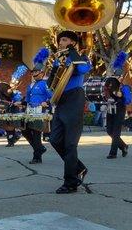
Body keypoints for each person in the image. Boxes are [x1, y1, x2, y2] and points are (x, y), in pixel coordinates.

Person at [48, 30, 91, 194]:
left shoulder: (82, 58)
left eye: (64, 40)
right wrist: (54, 70)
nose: (60, 43)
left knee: (70, 143)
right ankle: (79, 168)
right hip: (61, 100)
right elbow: (50, 85)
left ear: (73, 42)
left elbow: (82, 70)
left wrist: (72, 52)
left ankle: (71, 182)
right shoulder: (58, 61)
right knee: (55, 139)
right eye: (60, 40)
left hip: (75, 98)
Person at [21, 48, 51, 164]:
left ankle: (37, 157)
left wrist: (47, 103)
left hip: (40, 111)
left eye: (35, 72)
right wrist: (22, 102)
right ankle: (40, 148)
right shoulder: (30, 86)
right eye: (32, 72)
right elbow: (27, 99)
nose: (33, 73)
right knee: (25, 130)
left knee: (37, 133)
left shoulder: (45, 84)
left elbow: (52, 96)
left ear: (42, 73)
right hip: (30, 110)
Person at [106, 52, 130, 159]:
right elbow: (106, 91)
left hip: (120, 108)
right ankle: (123, 146)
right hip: (110, 107)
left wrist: (120, 94)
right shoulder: (111, 81)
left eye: (117, 72)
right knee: (109, 131)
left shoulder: (124, 86)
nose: (115, 73)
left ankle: (113, 153)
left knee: (116, 132)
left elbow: (127, 99)